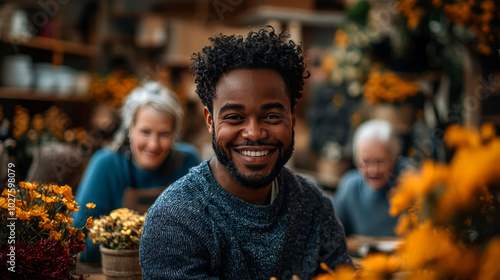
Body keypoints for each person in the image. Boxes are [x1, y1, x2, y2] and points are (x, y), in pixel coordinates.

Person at [139, 26, 353, 280]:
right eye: (235, 117)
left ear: (292, 118)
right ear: (210, 120)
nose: (253, 132)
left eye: (272, 116)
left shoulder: (314, 207)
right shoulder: (176, 221)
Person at [73, 81, 201, 263]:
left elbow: (201, 236)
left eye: (164, 134)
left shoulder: (187, 162)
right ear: (130, 129)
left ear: (174, 134)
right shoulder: (106, 164)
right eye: (145, 132)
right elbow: (79, 244)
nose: (154, 144)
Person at [332, 119, 413, 237]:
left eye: (379, 162)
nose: (373, 171)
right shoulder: (351, 187)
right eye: (365, 162)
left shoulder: (410, 180)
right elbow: (331, 235)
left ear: (394, 155)